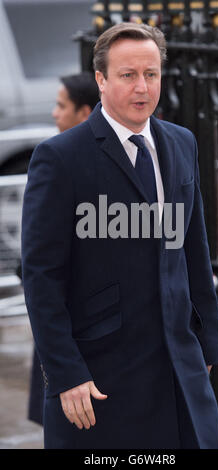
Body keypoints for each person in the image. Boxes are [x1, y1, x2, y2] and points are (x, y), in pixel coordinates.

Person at [21, 22, 218, 449]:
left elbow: (194, 251)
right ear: (101, 79)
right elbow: (41, 277)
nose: (142, 88)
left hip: (181, 371)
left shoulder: (182, 143)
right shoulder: (59, 158)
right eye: (128, 75)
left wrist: (208, 348)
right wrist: (66, 373)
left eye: (150, 74)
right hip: (102, 379)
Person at [27, 72, 99, 426]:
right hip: (61, 330)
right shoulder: (53, 157)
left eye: (61, 105)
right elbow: (40, 263)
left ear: (84, 112)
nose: (55, 113)